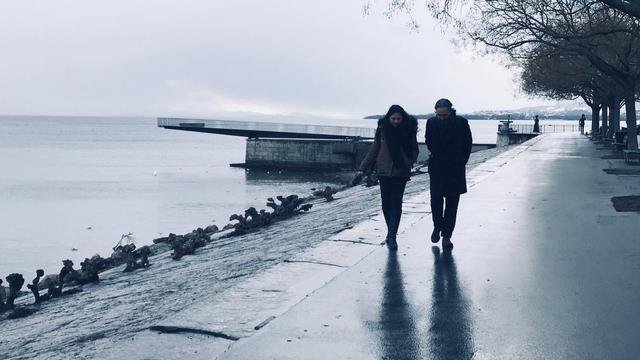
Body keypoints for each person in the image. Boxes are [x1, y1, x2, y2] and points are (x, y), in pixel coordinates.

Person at [358, 104, 419, 250]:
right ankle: (390, 232)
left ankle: (392, 236)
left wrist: (408, 162)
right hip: (383, 171)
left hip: (400, 172)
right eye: (393, 118)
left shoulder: (408, 130)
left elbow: (414, 149)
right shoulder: (382, 130)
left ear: (402, 118)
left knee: (396, 203)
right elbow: (374, 149)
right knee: (386, 203)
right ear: (388, 117)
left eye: (398, 119)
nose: (396, 121)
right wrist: (362, 168)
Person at [425, 99, 472, 249]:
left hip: (454, 168)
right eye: (439, 115)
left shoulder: (461, 123)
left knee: (452, 204)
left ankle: (447, 236)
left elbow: (467, 144)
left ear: (451, 112)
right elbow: (428, 141)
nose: (442, 118)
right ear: (436, 113)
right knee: (436, 200)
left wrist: (461, 161)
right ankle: (437, 226)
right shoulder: (431, 123)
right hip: (437, 166)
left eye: (445, 115)